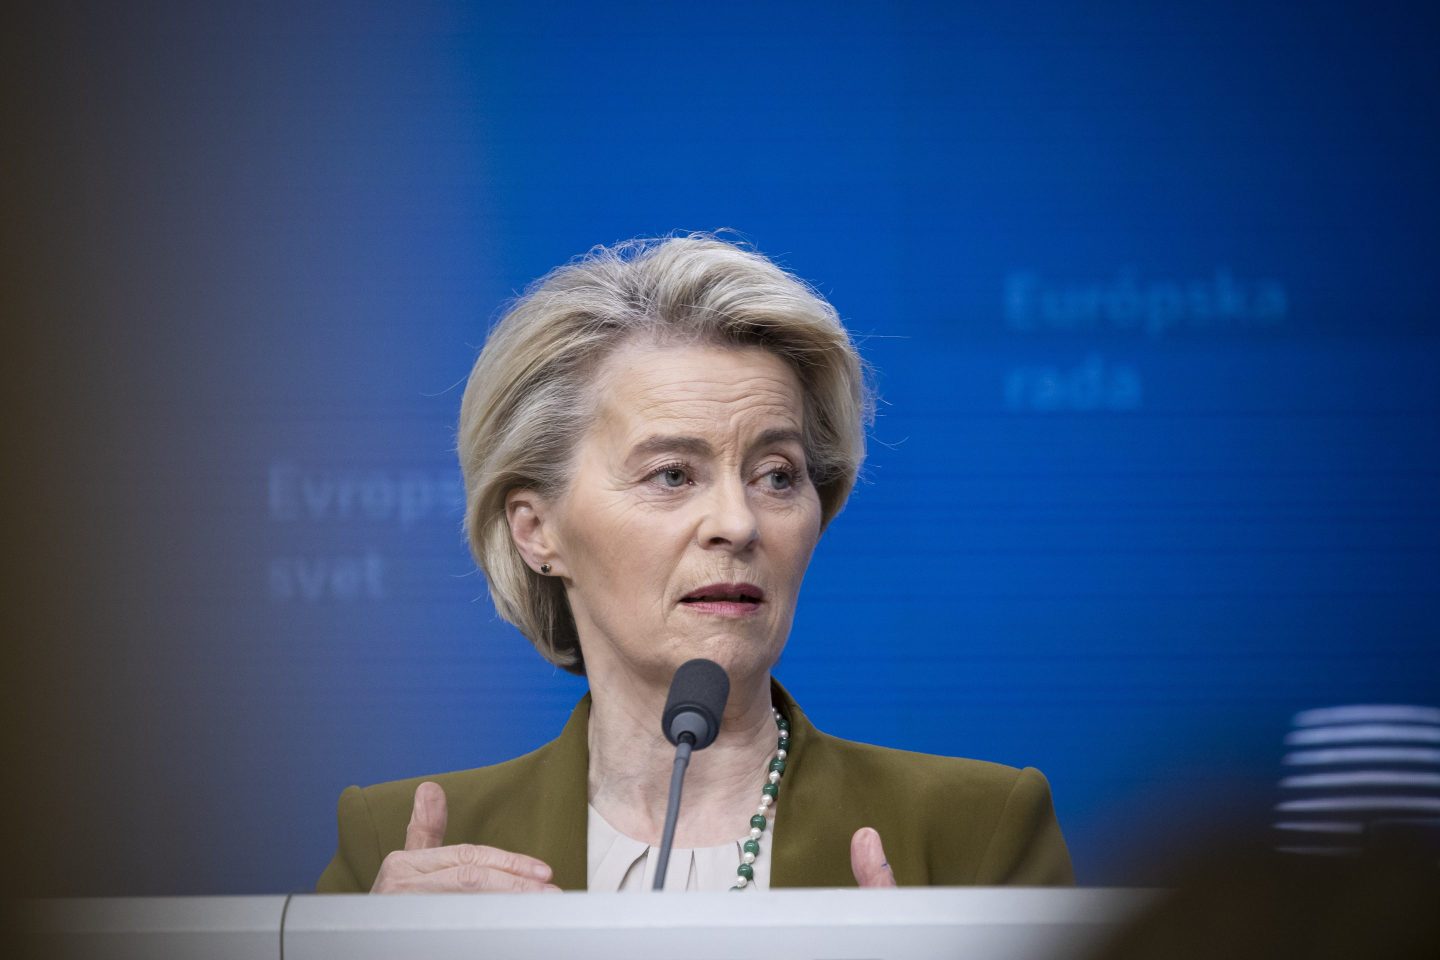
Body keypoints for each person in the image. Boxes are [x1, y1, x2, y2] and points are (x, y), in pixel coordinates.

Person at [316, 234, 1073, 893]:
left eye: (777, 475)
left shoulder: (976, 833)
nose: (738, 524)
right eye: (673, 474)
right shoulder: (403, 852)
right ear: (537, 531)